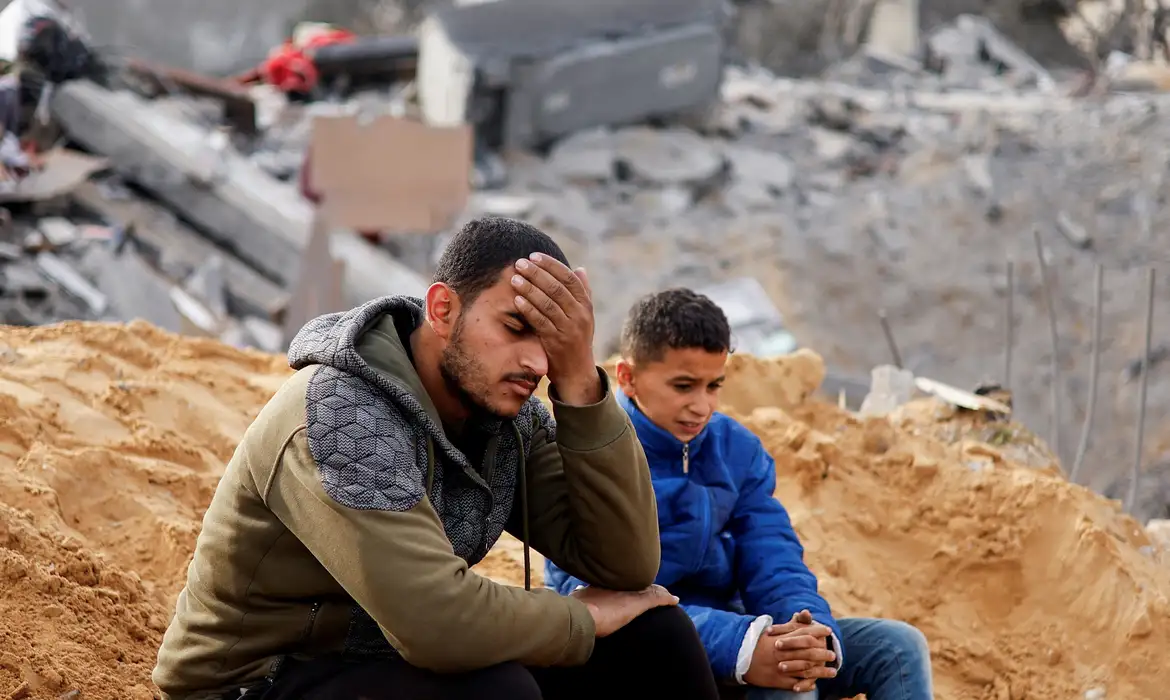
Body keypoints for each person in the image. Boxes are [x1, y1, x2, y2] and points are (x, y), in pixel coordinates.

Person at [152, 219, 722, 700]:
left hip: (386, 659)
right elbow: (437, 623)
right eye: (515, 327)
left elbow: (625, 565)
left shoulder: (507, 413)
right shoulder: (340, 413)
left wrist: (579, 380)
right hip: (256, 681)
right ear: (443, 308)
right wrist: (585, 618)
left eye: (549, 342)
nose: (535, 362)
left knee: (656, 636)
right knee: (498, 692)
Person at [545, 288, 935, 700]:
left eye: (714, 386)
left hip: (744, 633)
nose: (702, 406)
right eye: (684, 386)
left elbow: (774, 556)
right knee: (791, 685)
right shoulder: (592, 455)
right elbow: (593, 598)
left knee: (897, 648)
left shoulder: (737, 449)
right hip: (651, 654)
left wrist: (806, 630)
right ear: (628, 377)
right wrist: (744, 647)